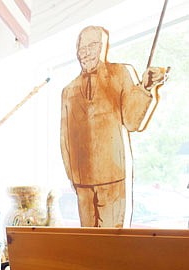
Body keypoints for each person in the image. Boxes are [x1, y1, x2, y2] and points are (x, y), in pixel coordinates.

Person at [60, 25, 167, 227]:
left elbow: (133, 121)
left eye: (92, 45)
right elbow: (64, 140)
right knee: (89, 249)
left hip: (113, 178)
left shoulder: (120, 73)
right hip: (82, 184)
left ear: (104, 47)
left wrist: (145, 87)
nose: (86, 52)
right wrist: (73, 179)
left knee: (112, 245)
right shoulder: (68, 91)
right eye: (82, 48)